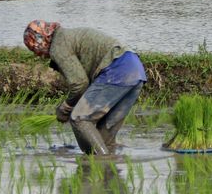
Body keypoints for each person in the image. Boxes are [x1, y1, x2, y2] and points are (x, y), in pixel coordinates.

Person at [23, 20, 146, 155]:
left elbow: (80, 84)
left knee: (79, 118)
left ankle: (103, 161)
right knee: (104, 140)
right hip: (135, 71)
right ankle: (106, 168)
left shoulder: (58, 46)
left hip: (117, 69)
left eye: (34, 48)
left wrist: (65, 108)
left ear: (41, 40)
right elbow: (85, 87)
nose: (37, 54)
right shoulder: (67, 36)